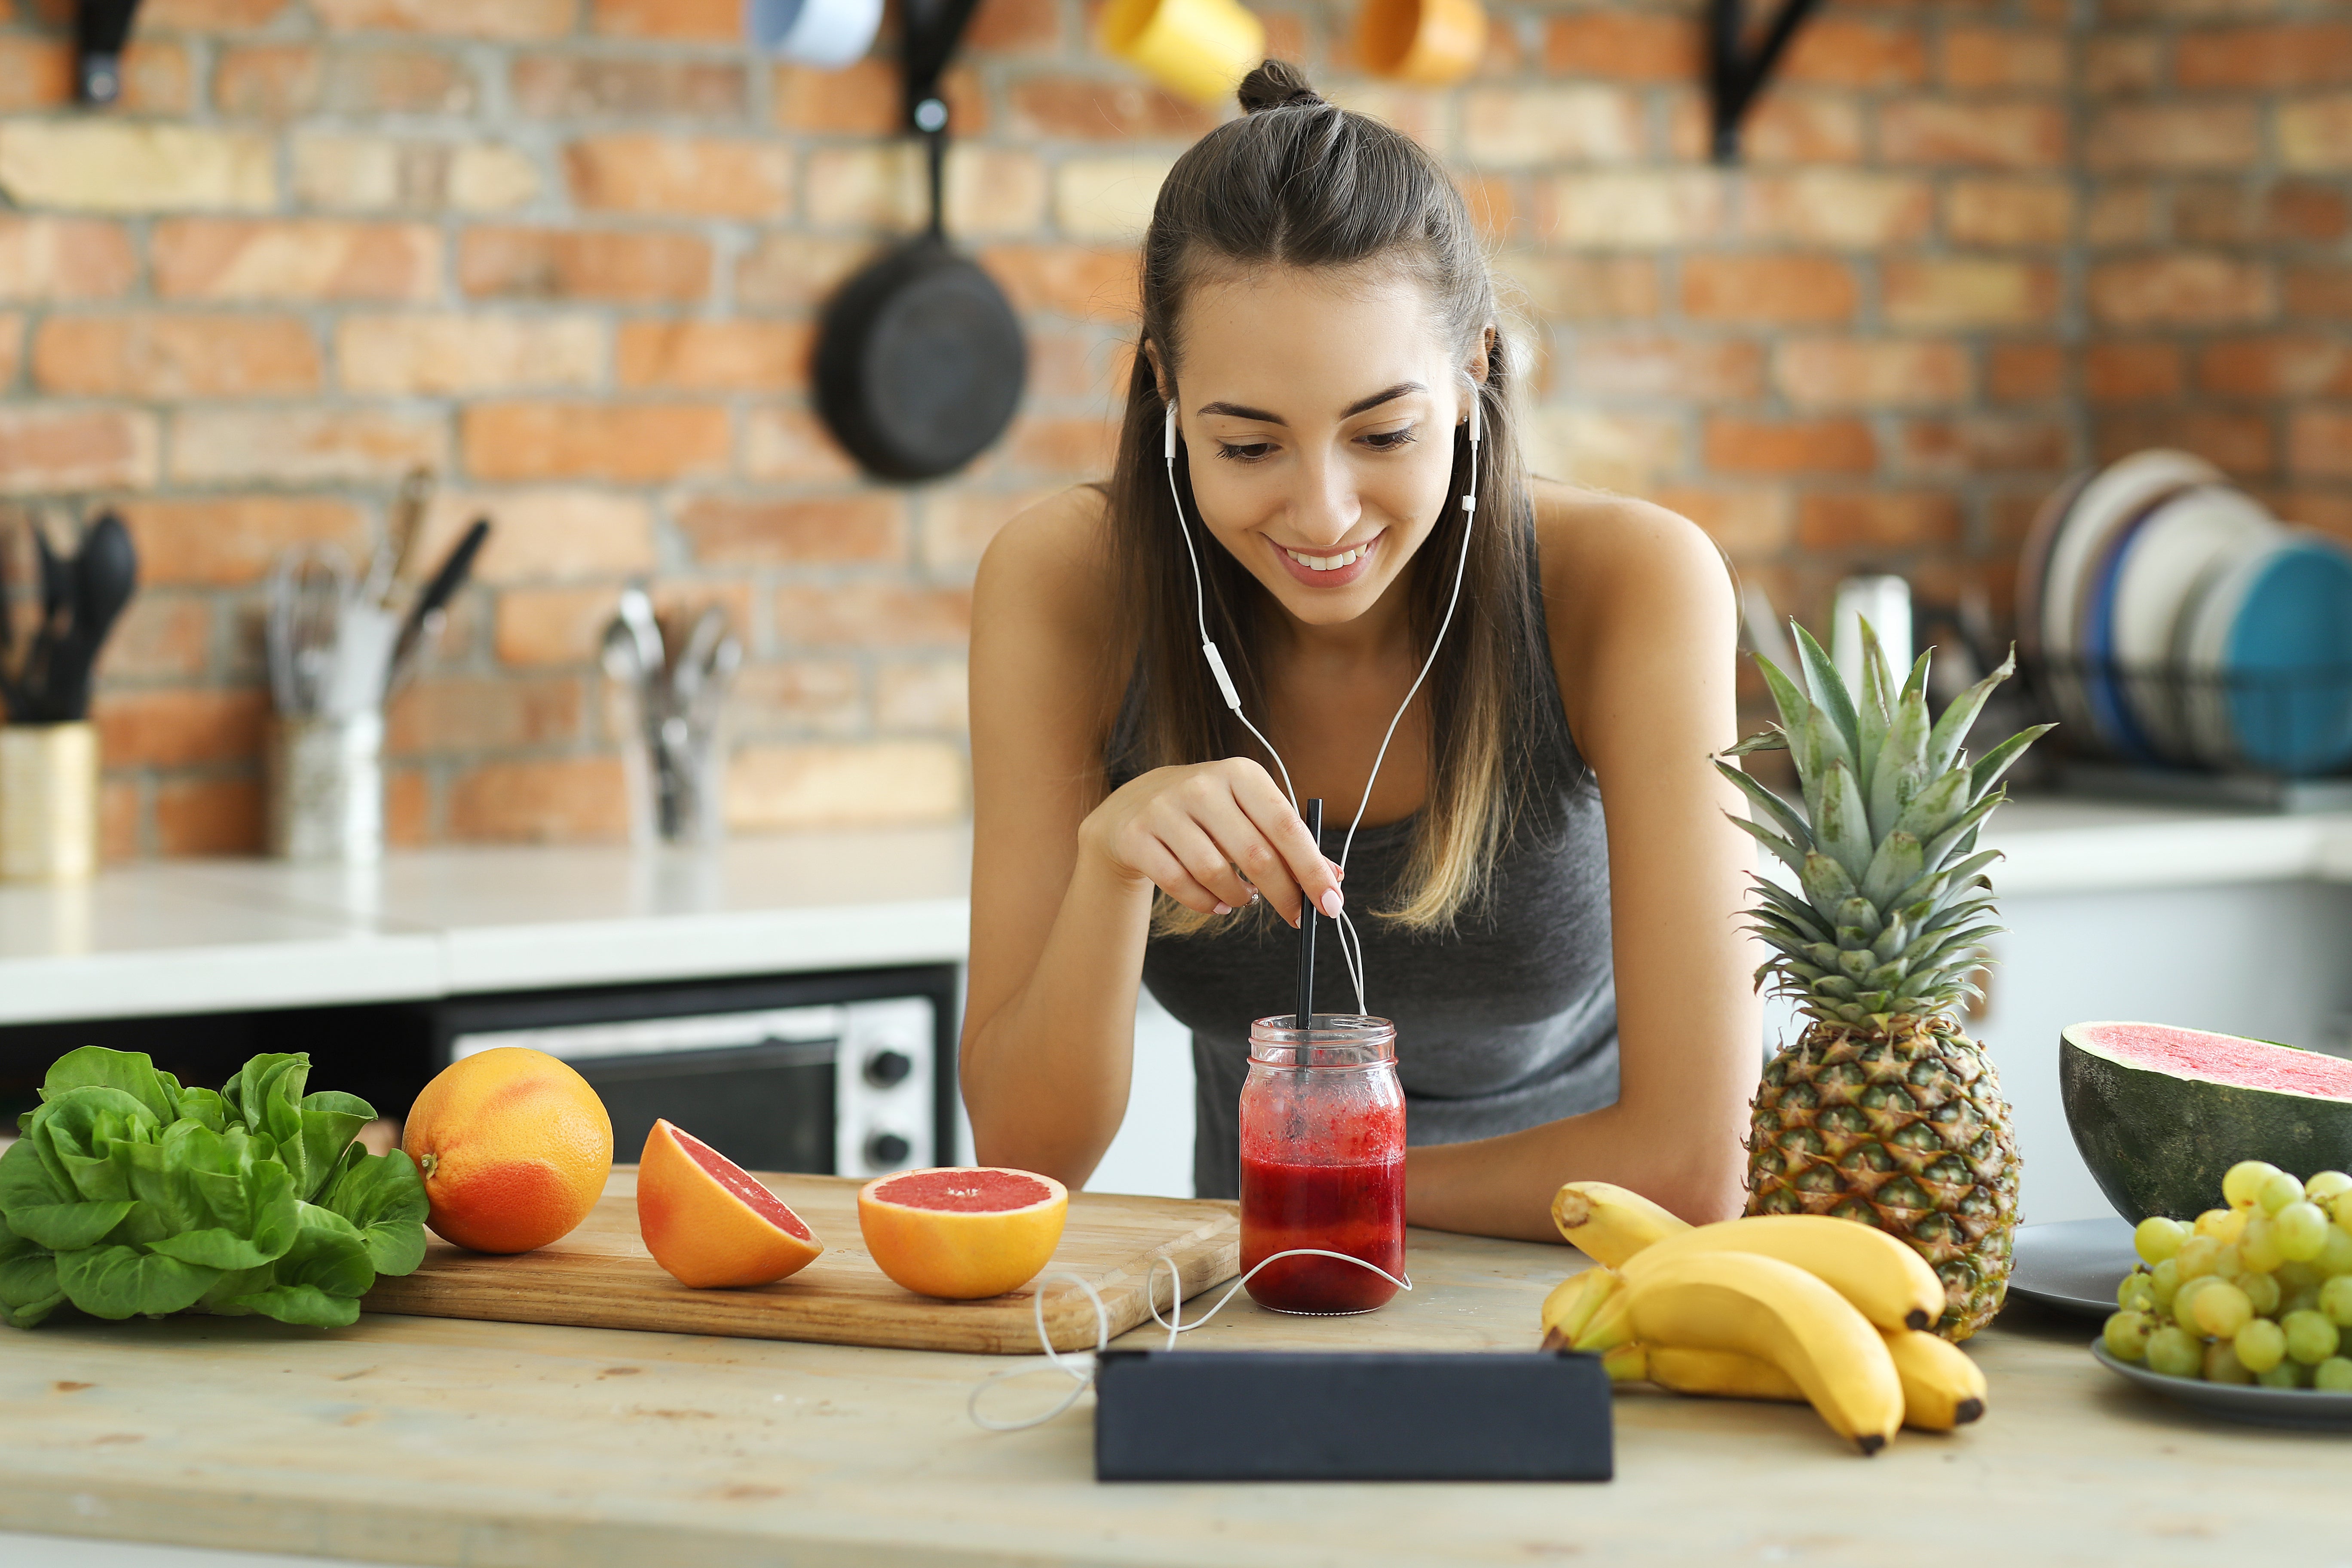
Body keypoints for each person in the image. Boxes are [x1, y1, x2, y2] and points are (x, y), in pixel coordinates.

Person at [959, 61, 1760, 1241]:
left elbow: (1696, 1169)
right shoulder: (1068, 586)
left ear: (1474, 369)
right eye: (1247, 447)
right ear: (1167, 393)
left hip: (1590, 1283)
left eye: (1383, 431)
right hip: (1263, 1298)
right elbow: (1028, 1154)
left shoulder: (1632, 585)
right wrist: (1110, 866)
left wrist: (1305, 1199)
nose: (1325, 515)